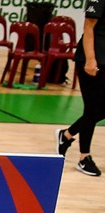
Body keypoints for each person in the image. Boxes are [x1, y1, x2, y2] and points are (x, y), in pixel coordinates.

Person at [56, 0, 104, 177]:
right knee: (92, 109)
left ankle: (66, 135)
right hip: (93, 58)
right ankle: (84, 158)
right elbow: (89, 27)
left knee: (101, 109)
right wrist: (91, 60)